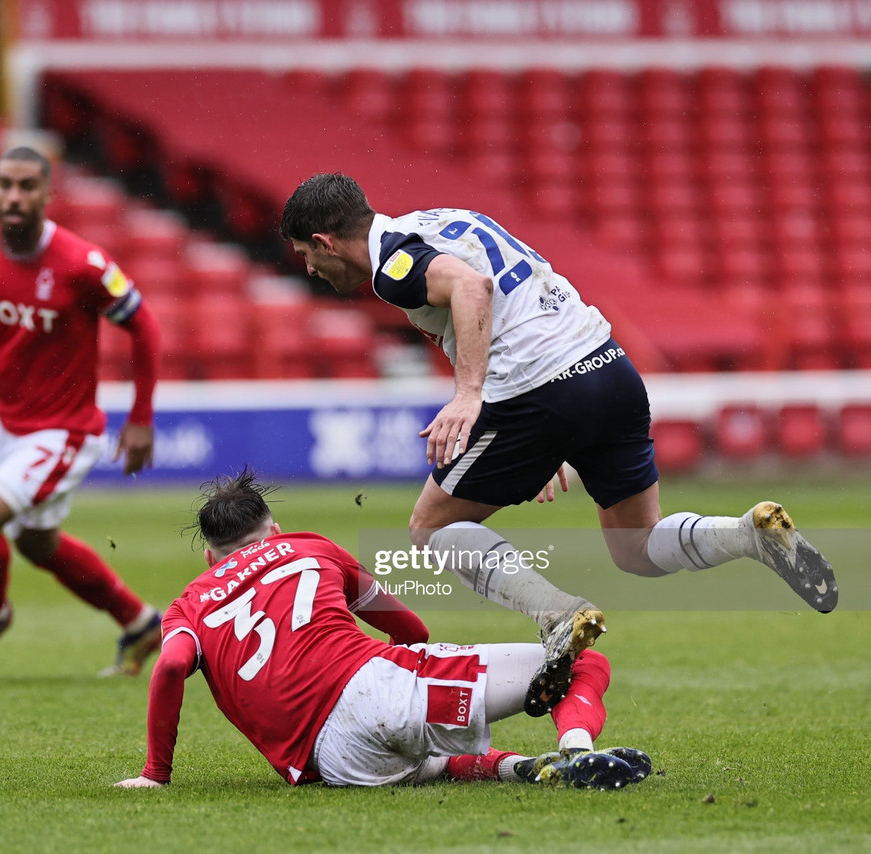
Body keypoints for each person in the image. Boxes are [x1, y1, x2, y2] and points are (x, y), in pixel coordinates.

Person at [279, 172, 837, 714]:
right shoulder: (440, 220)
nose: (308, 266)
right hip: (608, 367)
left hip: (537, 391)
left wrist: (474, 394)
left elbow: (473, 287)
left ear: (327, 242)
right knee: (637, 548)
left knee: (429, 527)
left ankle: (556, 616)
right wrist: (545, 437)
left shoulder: (392, 267)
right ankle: (748, 534)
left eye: (306, 253)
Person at [115, 469, 651, 790]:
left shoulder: (190, 603)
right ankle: (577, 748)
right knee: (581, 661)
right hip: (373, 684)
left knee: (427, 761)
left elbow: (170, 666)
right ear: (274, 531)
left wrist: (156, 773)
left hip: (330, 762)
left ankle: (522, 769)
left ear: (210, 557)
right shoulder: (309, 548)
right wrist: (412, 679)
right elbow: (409, 628)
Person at [0, 146, 163, 677]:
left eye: (27, 186)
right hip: (9, 425)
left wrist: (142, 417)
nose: (14, 196)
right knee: (37, 544)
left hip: (65, 432)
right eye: (5, 185)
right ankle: (138, 621)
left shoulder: (81, 263)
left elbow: (143, 324)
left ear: (47, 194)